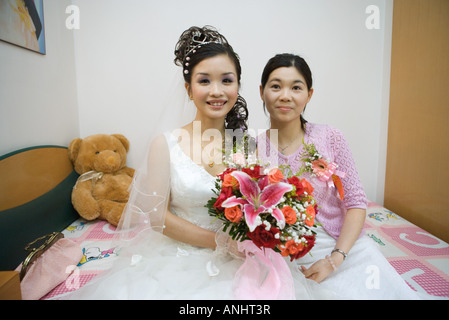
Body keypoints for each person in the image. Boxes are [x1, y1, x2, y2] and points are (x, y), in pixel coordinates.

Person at [63, 27, 336, 300]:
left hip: (241, 257)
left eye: (226, 81)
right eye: (204, 81)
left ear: (237, 86)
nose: (216, 91)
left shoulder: (248, 145)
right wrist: (222, 242)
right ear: (188, 88)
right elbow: (158, 219)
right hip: (178, 255)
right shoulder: (165, 144)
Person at [257, 53, 434, 299]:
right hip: (284, 251)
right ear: (262, 91)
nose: (285, 95)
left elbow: (356, 203)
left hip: (340, 244)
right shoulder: (251, 149)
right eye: (275, 86)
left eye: (296, 87)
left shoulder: (330, 138)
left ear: (309, 95)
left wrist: (335, 259)